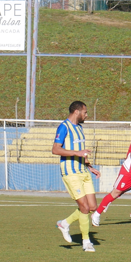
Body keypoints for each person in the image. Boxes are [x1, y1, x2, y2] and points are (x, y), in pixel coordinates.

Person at [52, 101, 101, 253]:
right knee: (84, 208)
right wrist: (76, 153)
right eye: (85, 112)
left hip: (83, 171)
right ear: (76, 112)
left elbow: (81, 151)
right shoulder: (64, 127)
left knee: (92, 207)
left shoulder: (79, 128)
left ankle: (65, 223)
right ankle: (86, 242)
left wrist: (89, 166)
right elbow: (55, 149)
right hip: (70, 172)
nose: (86, 115)